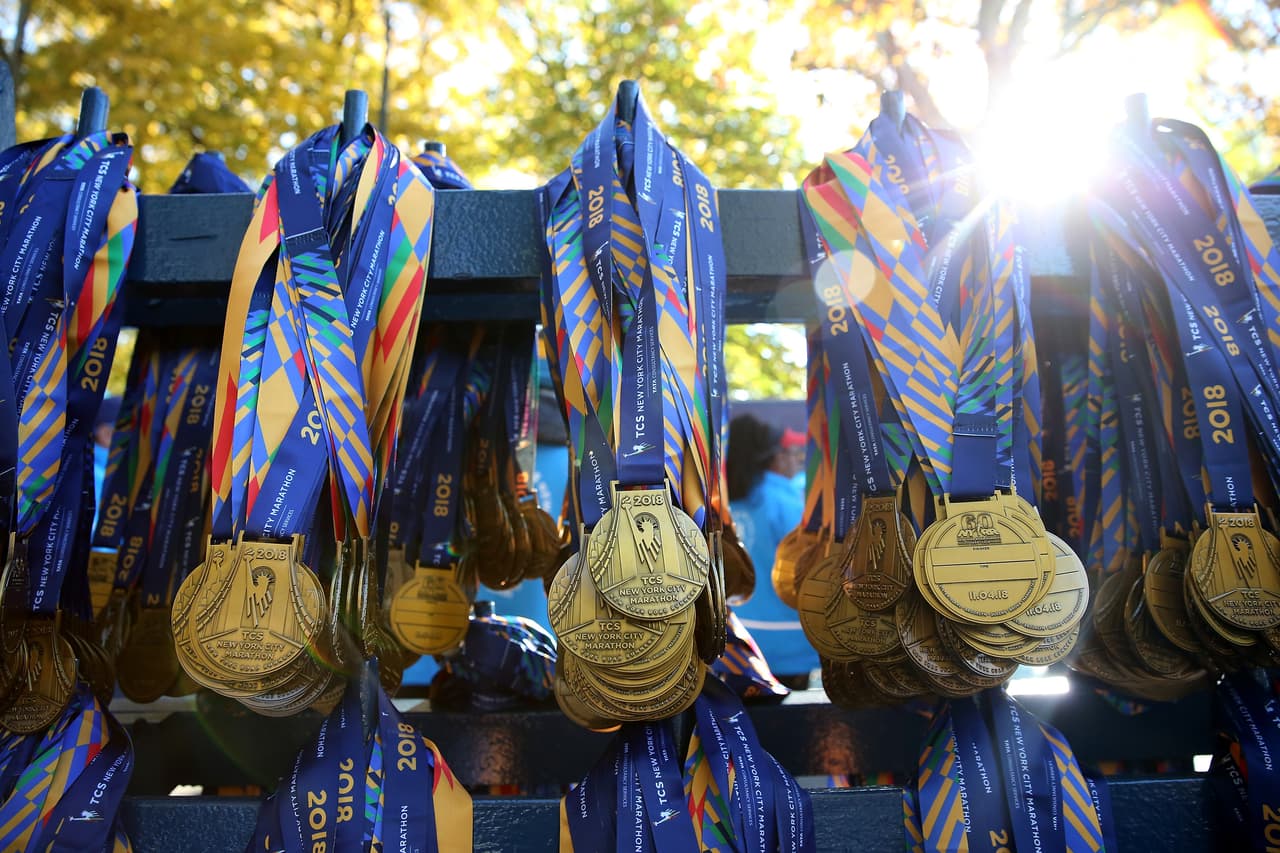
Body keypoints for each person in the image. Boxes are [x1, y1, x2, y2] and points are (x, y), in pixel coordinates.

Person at [727, 412, 817, 688]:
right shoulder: (785, 502)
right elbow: (812, 569)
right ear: (776, 457)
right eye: (792, 454)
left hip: (737, 646)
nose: (796, 461)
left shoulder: (722, 499)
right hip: (790, 648)